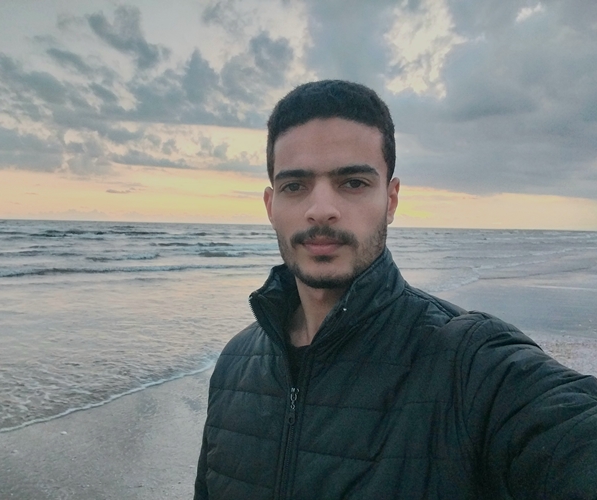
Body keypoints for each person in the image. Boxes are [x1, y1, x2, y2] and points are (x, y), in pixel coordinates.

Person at [193, 80, 597, 499]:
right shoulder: (235, 364)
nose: (321, 210)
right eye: (294, 186)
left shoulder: (468, 362)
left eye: (353, 183)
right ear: (270, 205)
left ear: (391, 199)